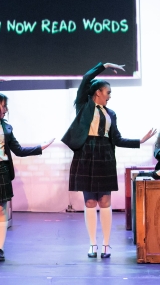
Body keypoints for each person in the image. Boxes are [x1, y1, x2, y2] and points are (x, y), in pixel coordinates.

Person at [61, 62, 156, 259]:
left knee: (104, 200)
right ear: (97, 93)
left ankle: (106, 244)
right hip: (86, 153)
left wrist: (140, 140)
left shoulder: (111, 113)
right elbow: (87, 78)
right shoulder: (84, 106)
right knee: (89, 200)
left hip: (104, 155)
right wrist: (103, 65)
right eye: (108, 92)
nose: (110, 96)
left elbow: (117, 139)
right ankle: (92, 244)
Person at [0, 78, 54, 262]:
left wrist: (40, 147)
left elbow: (19, 150)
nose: (6, 110)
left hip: (1, 170)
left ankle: (0, 249)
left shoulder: (6, 127)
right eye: (4, 106)